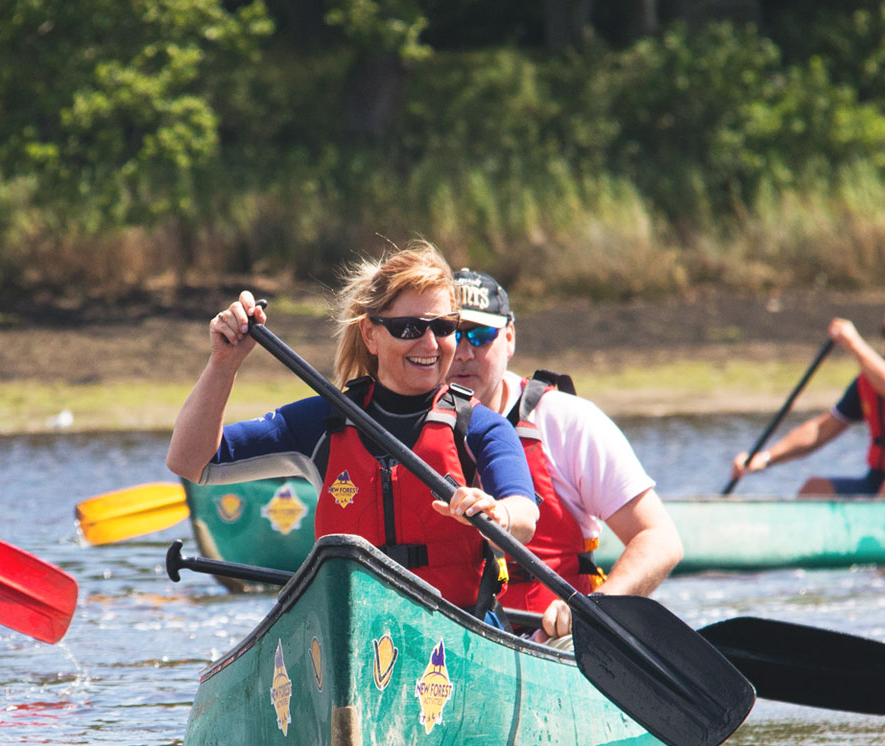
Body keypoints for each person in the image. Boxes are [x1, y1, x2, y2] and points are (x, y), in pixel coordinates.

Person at [166, 241, 539, 615]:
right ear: (371, 334)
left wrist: (498, 514)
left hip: (452, 641)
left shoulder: (478, 427)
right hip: (351, 626)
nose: (430, 343)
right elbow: (192, 461)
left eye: (443, 327)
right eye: (408, 328)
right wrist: (224, 363)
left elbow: (524, 516)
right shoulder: (324, 423)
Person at [441, 269, 683, 644]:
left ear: (509, 338)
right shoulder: (408, 426)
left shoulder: (568, 420)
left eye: (481, 335)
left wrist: (594, 608)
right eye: (451, 333)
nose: (464, 351)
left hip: (558, 640)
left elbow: (660, 539)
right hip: (449, 636)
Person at [730, 295, 885, 499]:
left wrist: (854, 343)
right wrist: (765, 458)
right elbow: (822, 429)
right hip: (877, 480)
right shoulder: (871, 381)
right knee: (815, 489)